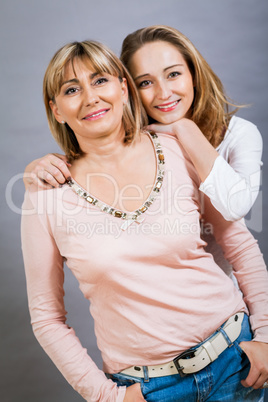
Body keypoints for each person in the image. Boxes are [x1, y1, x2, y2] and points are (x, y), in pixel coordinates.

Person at [21, 39, 268, 402]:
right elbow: (47, 319)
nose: (90, 97)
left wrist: (264, 335)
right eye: (72, 90)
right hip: (151, 390)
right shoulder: (44, 194)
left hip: (236, 361)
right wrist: (107, 396)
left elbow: (241, 248)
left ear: (123, 88)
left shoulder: (177, 150)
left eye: (101, 81)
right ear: (56, 109)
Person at [23, 25, 263, 278]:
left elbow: (236, 210)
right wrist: (35, 170)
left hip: (225, 294)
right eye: (146, 82)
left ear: (194, 74)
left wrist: (185, 129)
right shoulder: (143, 142)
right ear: (129, 89)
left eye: (173, 74)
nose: (164, 93)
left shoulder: (237, 135)